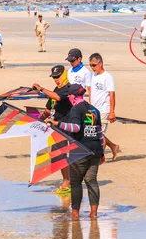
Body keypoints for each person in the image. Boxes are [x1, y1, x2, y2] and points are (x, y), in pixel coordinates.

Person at [45, 84, 105, 219]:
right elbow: (99, 133)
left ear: (72, 96)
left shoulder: (75, 109)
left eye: (69, 96)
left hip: (80, 150)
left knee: (76, 182)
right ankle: (93, 213)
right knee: (92, 181)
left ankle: (75, 213)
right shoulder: (95, 110)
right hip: (94, 149)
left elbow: (75, 128)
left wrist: (56, 123)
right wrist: (101, 153)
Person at [32, 65, 72, 194]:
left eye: (58, 77)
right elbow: (49, 109)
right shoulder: (55, 89)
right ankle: (67, 180)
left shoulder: (69, 88)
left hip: (64, 126)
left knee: (61, 154)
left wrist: (41, 89)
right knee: (56, 155)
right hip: (54, 126)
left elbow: (58, 98)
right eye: (54, 78)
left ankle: (68, 182)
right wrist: (39, 120)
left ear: (64, 75)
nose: (56, 80)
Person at [87, 53, 120, 161]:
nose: (92, 68)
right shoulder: (94, 76)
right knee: (94, 131)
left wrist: (112, 112)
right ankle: (114, 147)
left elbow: (112, 95)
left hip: (104, 110)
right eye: (90, 65)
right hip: (93, 109)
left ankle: (99, 157)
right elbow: (92, 92)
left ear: (100, 63)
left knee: (99, 134)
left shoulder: (108, 77)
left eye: (94, 65)